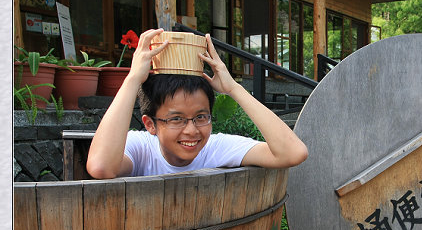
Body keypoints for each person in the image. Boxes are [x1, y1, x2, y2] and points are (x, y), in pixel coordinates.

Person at [86, 29, 308, 178]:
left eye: (201, 117)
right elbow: (101, 167)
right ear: (150, 124)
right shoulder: (141, 148)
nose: (191, 130)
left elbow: (293, 153)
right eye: (176, 119)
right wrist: (133, 78)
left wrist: (234, 89)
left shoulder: (215, 148)